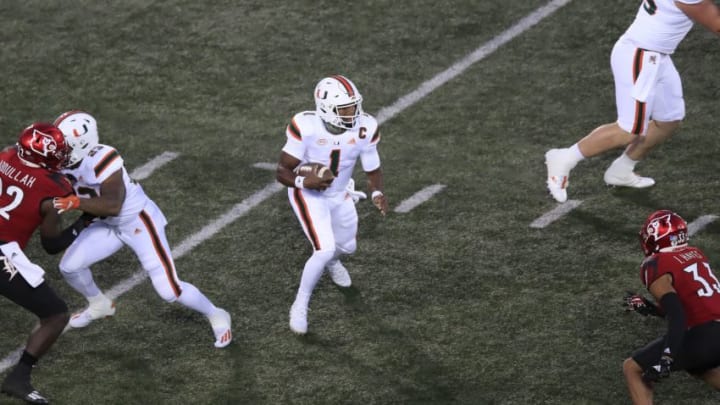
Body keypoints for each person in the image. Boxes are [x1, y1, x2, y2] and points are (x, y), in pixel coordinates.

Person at [50, 110, 232, 348]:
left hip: (138, 221)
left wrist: (75, 202)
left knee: (169, 289)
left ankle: (216, 314)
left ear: (82, 144)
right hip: (105, 222)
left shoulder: (104, 157)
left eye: (65, 147)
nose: (59, 152)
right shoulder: (60, 161)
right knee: (70, 267)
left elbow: (113, 205)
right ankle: (98, 304)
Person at [545, 0, 720, 203]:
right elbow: (715, 23)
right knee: (629, 130)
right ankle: (565, 157)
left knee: (669, 119)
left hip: (657, 56)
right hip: (640, 56)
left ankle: (622, 170)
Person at [276, 75, 389, 334]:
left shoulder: (365, 127)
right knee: (324, 248)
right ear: (326, 108)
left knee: (347, 247)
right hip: (308, 193)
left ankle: (332, 263)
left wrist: (376, 193)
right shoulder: (306, 126)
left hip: (340, 193)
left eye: (354, 106)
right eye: (346, 108)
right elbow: (282, 171)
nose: (354, 113)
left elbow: (372, 167)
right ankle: (300, 303)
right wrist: (306, 184)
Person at [0, 122, 87, 404]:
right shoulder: (56, 190)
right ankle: (19, 378)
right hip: (3, 254)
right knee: (56, 315)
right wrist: (84, 221)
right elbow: (51, 245)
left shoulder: (6, 155)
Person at [623, 210, 720, 404]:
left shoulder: (655, 264)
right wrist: (653, 309)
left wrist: (667, 358)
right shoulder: (695, 253)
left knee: (632, 368)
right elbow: (694, 305)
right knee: (697, 366)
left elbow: (678, 316)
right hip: (714, 329)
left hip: (706, 335)